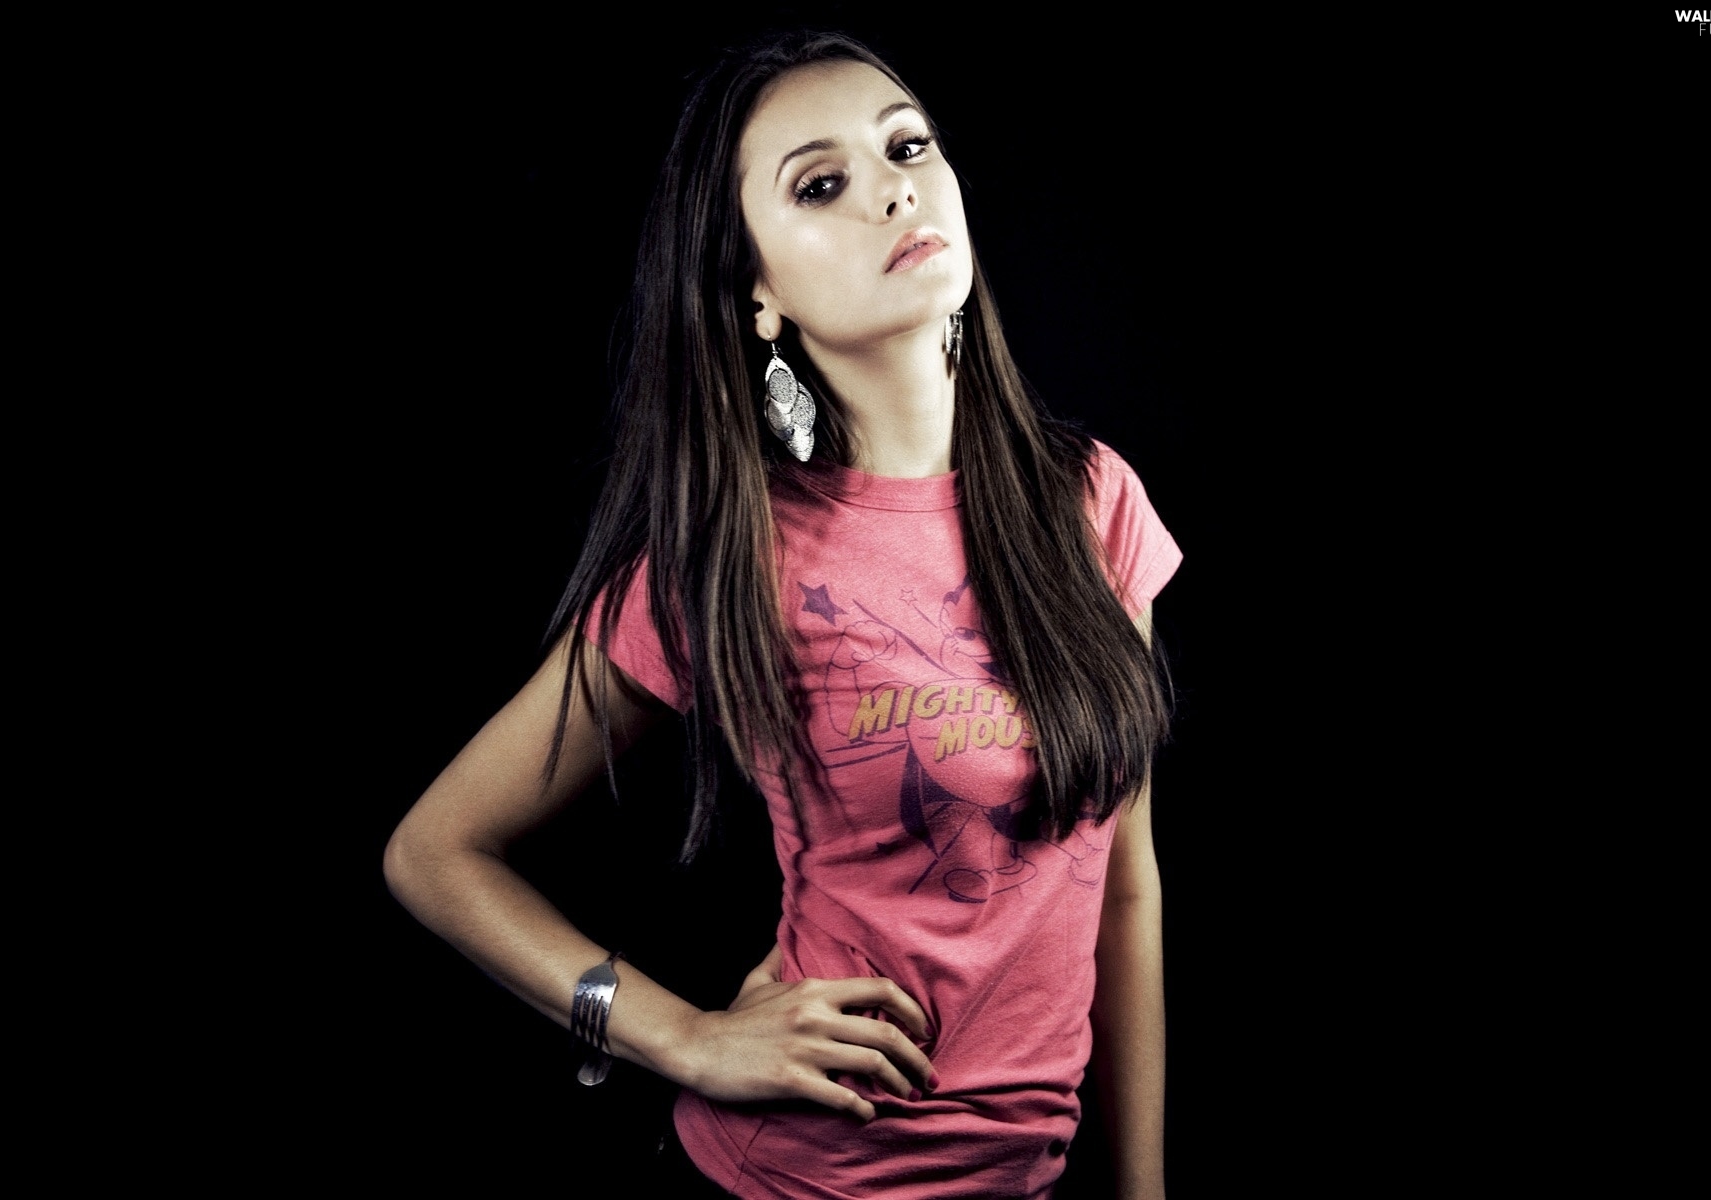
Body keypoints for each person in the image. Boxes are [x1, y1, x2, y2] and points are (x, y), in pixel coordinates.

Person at [385, 30, 1180, 1200]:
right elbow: (434, 852)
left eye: (907, 147)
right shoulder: (738, 556)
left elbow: (1125, 884)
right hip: (803, 1179)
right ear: (757, 290)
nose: (893, 189)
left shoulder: (1092, 502)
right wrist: (681, 1037)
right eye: (821, 183)